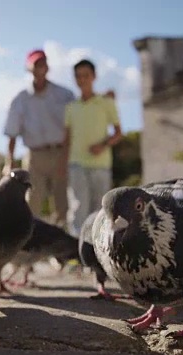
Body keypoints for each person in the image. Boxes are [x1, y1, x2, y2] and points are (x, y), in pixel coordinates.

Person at [3, 49, 75, 227]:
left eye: (42, 63)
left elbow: (72, 128)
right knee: (32, 201)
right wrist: (9, 162)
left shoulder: (65, 95)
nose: (40, 68)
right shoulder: (20, 100)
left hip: (61, 153)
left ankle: (62, 248)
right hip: (35, 156)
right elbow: (12, 133)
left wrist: (66, 157)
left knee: (62, 202)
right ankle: (29, 243)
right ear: (29, 68)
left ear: (47, 67)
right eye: (36, 64)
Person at [63, 59, 122, 235]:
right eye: (78, 76)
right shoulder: (71, 108)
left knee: (100, 209)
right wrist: (62, 165)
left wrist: (102, 145)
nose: (82, 79)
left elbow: (118, 133)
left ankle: (98, 252)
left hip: (101, 165)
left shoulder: (106, 103)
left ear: (94, 77)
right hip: (76, 164)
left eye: (86, 75)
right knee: (78, 207)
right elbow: (66, 139)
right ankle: (76, 252)